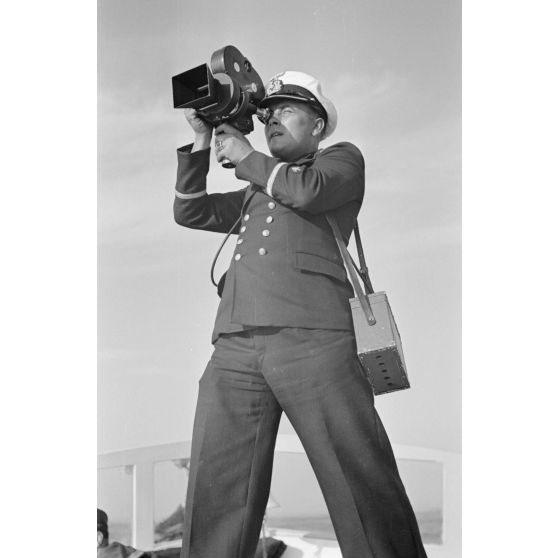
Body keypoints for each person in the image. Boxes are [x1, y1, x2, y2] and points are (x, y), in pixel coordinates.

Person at [173, 70, 427, 558]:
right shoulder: (256, 187)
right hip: (235, 346)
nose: (271, 119)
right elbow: (191, 212)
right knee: (216, 487)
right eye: (267, 112)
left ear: (317, 124)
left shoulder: (340, 160)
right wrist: (203, 141)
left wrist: (248, 157)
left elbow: (307, 191)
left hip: (316, 338)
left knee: (357, 480)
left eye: (287, 110)